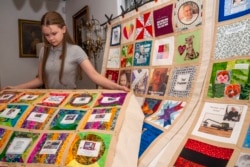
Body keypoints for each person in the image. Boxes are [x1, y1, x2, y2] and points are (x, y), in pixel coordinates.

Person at [2, 11, 129, 92]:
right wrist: (15, 88)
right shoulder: (43, 52)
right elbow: (40, 80)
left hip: (69, 101)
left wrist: (117, 87)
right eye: (46, 35)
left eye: (54, 33)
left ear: (63, 29)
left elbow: (95, 76)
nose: (51, 38)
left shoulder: (76, 51)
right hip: (49, 100)